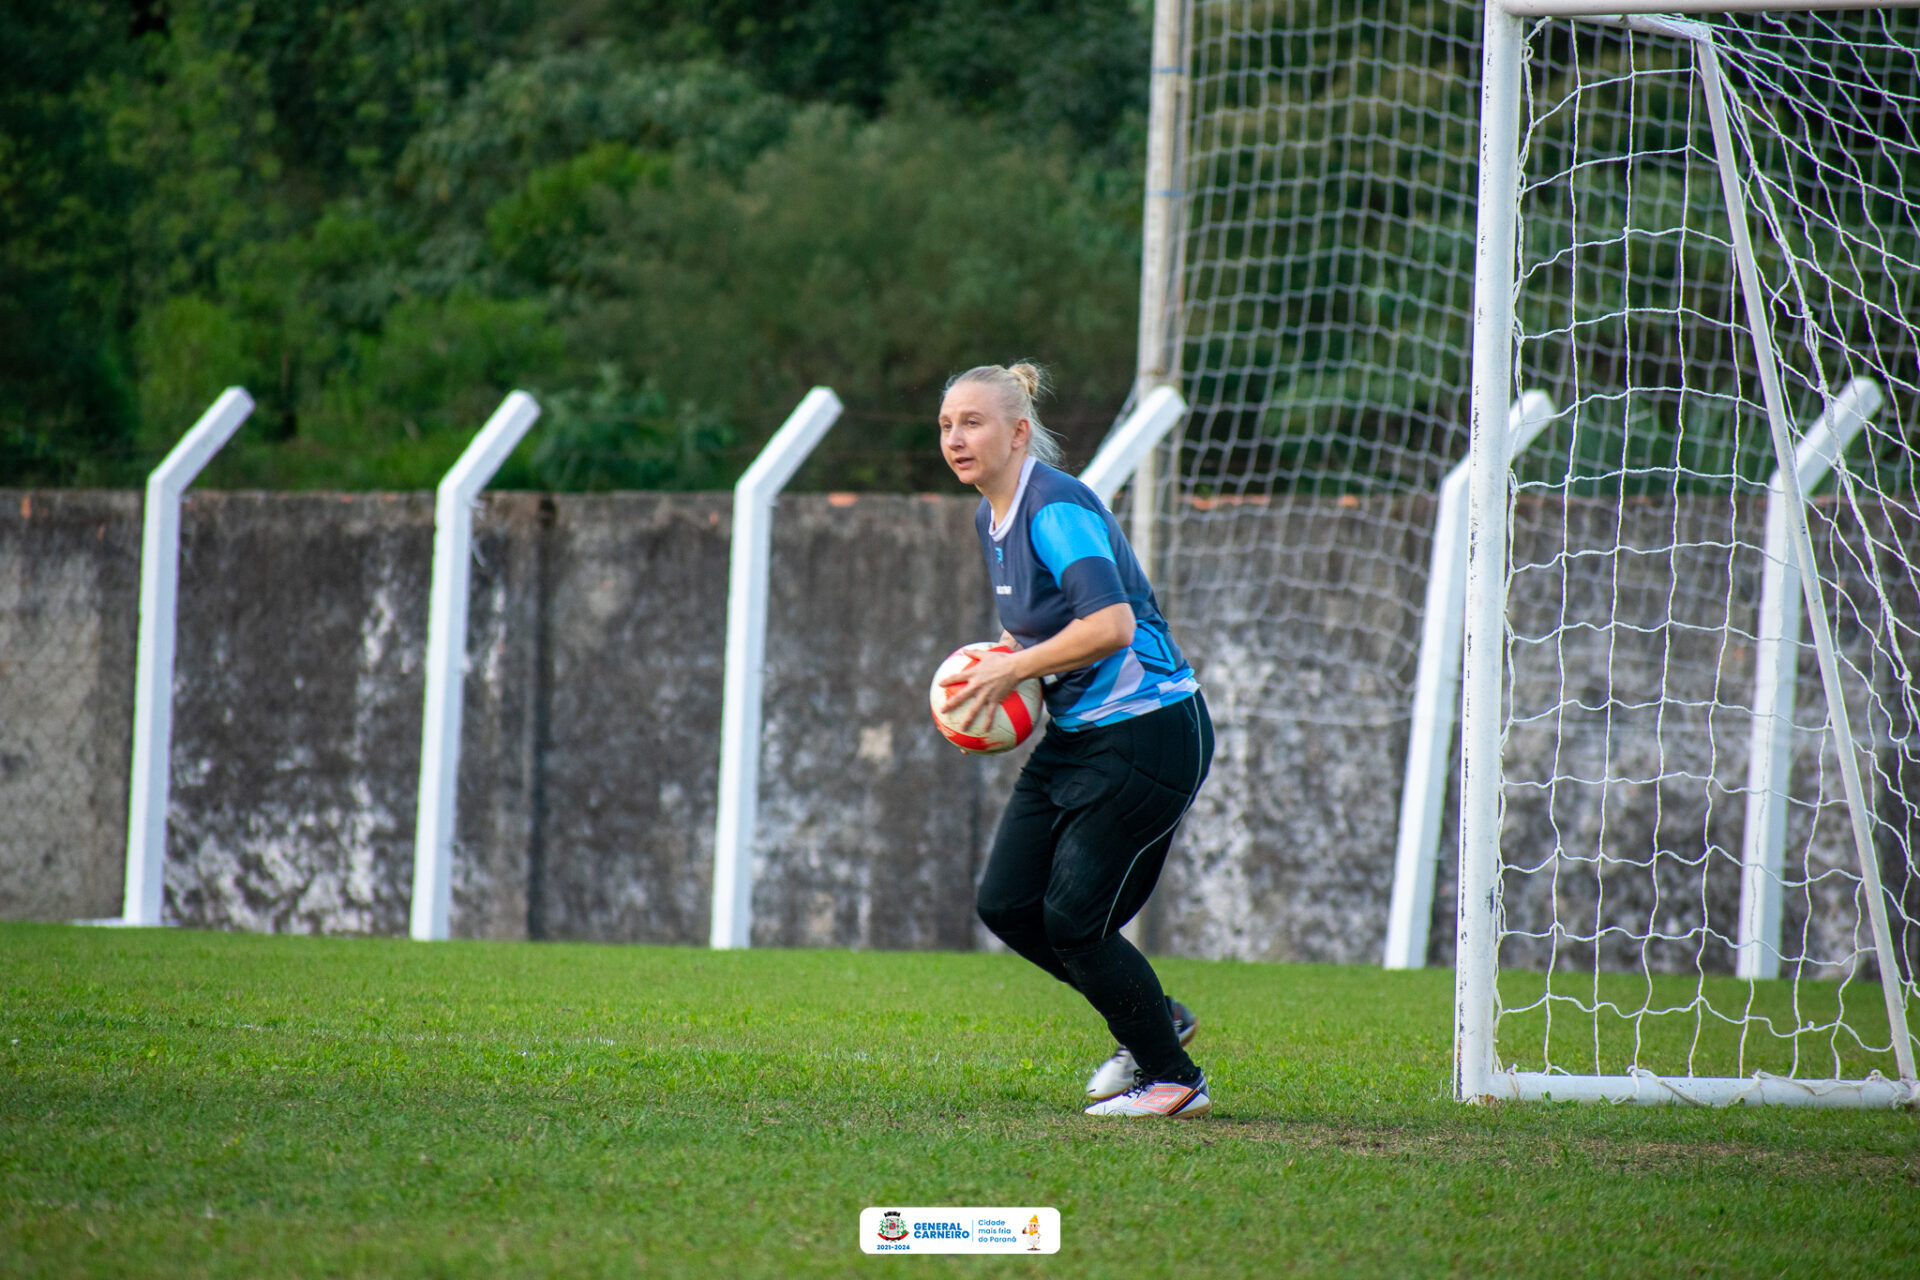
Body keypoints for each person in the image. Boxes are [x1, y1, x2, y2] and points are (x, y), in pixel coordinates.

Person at [936, 361, 1215, 1118]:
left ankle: (1172, 1079)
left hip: (1149, 730)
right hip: (1080, 735)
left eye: (973, 422)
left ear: (1018, 432)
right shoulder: (988, 516)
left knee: (1074, 919)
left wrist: (1014, 670)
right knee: (1009, 903)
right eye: (946, 425)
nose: (956, 438)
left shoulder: (1055, 509)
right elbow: (1031, 627)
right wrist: (993, 686)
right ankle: (1156, 1019)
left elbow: (1111, 625)